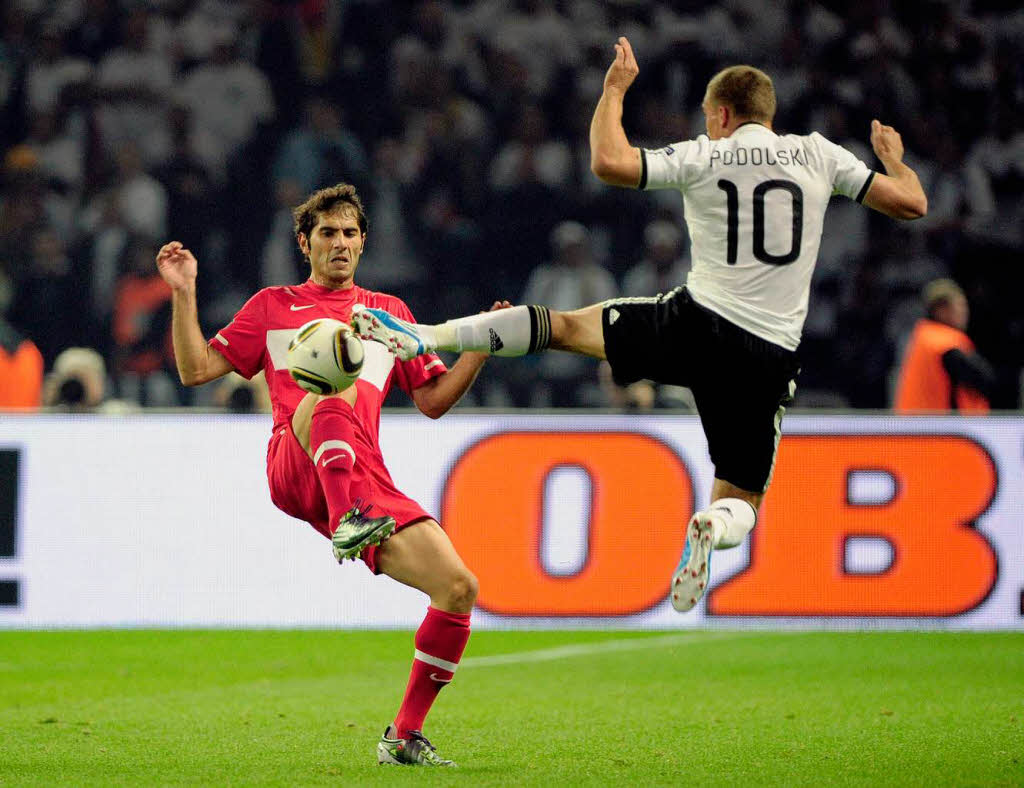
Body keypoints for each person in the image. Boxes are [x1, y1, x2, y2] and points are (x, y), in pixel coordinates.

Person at [351, 38, 928, 614]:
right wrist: (893, 157)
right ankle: (710, 523)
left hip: (695, 324)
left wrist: (613, 93)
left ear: (722, 114)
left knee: (565, 327)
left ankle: (431, 336)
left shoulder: (706, 154)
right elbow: (911, 203)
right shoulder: (820, 155)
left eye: (709, 118)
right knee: (741, 501)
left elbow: (610, 161)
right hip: (769, 352)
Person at [156, 183, 495, 767]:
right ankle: (347, 520)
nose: (339, 243)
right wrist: (184, 294)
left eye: (349, 233)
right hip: (296, 458)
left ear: (363, 243)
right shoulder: (271, 306)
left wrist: (480, 350)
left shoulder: (391, 313)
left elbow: (433, 400)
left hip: (363, 474)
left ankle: (403, 737)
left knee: (458, 588)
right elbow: (193, 370)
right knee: (333, 368)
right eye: (327, 234)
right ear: (304, 244)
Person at [893, 278, 993, 413]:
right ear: (941, 310)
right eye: (960, 306)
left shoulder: (922, 337)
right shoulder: (944, 343)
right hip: (942, 429)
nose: (965, 313)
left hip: (918, 427)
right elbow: (985, 379)